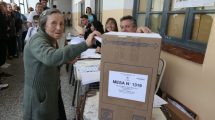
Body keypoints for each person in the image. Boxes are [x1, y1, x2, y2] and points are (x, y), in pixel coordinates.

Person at [23, 8, 100, 120]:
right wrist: (85, 44)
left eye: (61, 24)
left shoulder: (51, 40)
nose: (59, 28)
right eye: (53, 23)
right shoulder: (37, 40)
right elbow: (51, 57)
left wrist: (64, 60)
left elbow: (46, 62)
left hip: (51, 93)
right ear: (44, 24)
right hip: (39, 99)